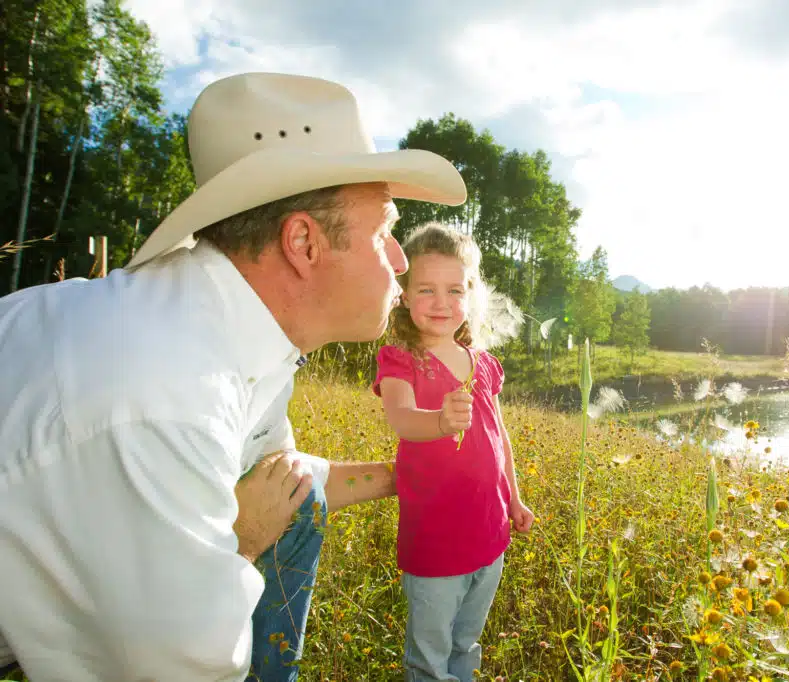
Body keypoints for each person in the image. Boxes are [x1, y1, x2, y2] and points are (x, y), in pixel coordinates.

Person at [0, 72, 467, 682]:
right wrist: (244, 539)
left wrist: (414, 476)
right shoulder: (164, 394)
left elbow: (281, 479)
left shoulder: (235, 334)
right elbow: (179, 670)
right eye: (382, 232)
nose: (400, 260)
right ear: (303, 241)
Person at [372, 222, 534, 682]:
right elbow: (401, 418)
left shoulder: (481, 362)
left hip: (491, 532)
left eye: (454, 290)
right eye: (426, 289)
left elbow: (499, 439)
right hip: (437, 540)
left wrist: (515, 499)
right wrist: (440, 422)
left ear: (470, 295)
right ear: (403, 294)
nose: (442, 303)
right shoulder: (401, 358)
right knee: (430, 653)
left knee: (466, 643)